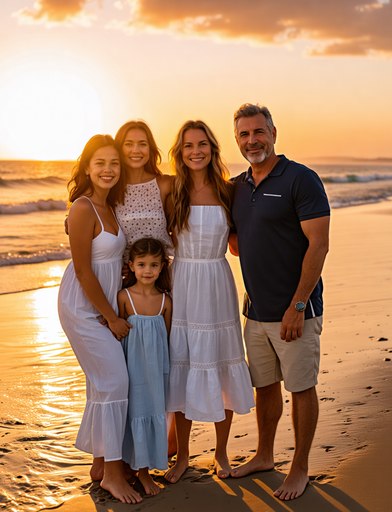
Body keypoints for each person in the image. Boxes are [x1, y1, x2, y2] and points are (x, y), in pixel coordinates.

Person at [228, 103, 330, 501]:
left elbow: (318, 245)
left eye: (258, 132)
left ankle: (300, 467)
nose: (252, 140)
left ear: (273, 132)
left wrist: (298, 305)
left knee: (301, 387)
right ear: (237, 140)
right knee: (265, 387)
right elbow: (236, 238)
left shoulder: (301, 179)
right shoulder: (237, 187)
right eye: (243, 134)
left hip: (296, 311)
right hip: (255, 312)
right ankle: (265, 454)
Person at [165, 120, 255, 483]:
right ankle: (183, 455)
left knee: (219, 364)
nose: (196, 151)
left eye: (202, 144)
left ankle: (220, 453)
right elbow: (133, 212)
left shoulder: (228, 190)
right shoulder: (172, 190)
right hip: (183, 281)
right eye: (188, 146)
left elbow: (251, 230)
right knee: (184, 366)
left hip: (217, 281)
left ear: (212, 149)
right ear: (180, 152)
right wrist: (75, 211)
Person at [58, 134, 142, 505]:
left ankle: (99, 465)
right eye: (100, 163)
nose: (108, 170)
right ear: (88, 168)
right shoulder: (82, 208)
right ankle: (111, 475)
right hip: (82, 308)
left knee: (103, 385)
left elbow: (105, 262)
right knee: (114, 381)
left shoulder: (111, 206)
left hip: (103, 305)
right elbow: (83, 272)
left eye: (114, 164)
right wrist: (111, 318)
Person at [118, 238, 172, 496]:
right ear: (131, 265)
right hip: (132, 370)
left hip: (155, 372)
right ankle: (133, 469)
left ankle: (144, 472)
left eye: (154, 265)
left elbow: (167, 339)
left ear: (162, 267)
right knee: (134, 415)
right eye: (141, 264)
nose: (147, 270)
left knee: (152, 413)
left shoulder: (165, 302)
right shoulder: (124, 297)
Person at [114, 121, 174, 263]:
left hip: (162, 271)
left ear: (150, 148)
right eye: (128, 144)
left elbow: (199, 187)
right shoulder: (112, 189)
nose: (136, 150)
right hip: (126, 273)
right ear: (119, 148)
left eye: (142, 144)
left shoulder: (164, 184)